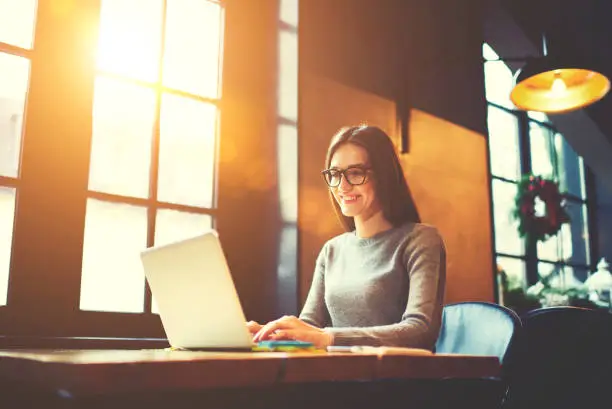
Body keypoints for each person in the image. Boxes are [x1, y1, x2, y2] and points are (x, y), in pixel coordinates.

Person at [249, 125, 446, 350]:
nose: (342, 186)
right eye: (334, 174)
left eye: (355, 173)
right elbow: (310, 326)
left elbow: (419, 330)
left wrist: (328, 338)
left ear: (384, 175)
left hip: (396, 379)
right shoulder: (331, 250)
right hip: (339, 375)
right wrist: (268, 333)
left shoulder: (420, 239)